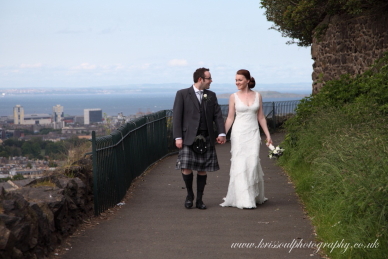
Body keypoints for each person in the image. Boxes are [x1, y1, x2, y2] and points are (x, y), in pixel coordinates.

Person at [173, 67, 226, 210]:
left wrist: (221, 133)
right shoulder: (183, 94)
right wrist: (178, 137)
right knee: (186, 168)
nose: (211, 81)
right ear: (200, 79)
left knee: (203, 169)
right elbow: (177, 117)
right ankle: (190, 196)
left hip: (206, 136)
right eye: (209, 78)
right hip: (188, 137)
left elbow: (217, 116)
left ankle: (200, 200)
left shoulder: (211, 95)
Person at [220, 69, 272, 209]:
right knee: (240, 163)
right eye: (236, 80)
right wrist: (223, 134)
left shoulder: (258, 96)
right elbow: (230, 117)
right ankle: (244, 199)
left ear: (248, 81)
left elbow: (260, 117)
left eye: (240, 80)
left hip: (253, 133)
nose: (237, 82)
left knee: (253, 161)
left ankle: (253, 194)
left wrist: (267, 135)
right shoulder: (233, 97)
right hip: (239, 133)